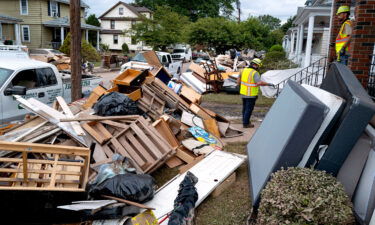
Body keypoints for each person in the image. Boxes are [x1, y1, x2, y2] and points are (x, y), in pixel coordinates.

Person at [237, 58, 272, 128]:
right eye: (258, 66)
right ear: (256, 65)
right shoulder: (255, 73)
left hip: (243, 93)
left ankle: (245, 121)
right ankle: (246, 124)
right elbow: (259, 83)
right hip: (251, 95)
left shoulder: (243, 70)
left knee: (245, 108)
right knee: (249, 109)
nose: (258, 68)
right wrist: (268, 84)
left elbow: (238, 82)